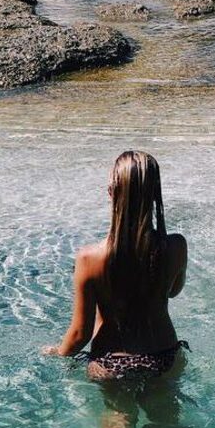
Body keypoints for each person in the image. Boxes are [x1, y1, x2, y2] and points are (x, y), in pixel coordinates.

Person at [43, 151, 188, 382]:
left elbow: (81, 334)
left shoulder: (89, 258)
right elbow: (173, 291)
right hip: (164, 355)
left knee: (118, 417)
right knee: (167, 416)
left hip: (111, 361)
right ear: (155, 194)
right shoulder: (176, 246)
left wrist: (58, 353)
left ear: (112, 193)